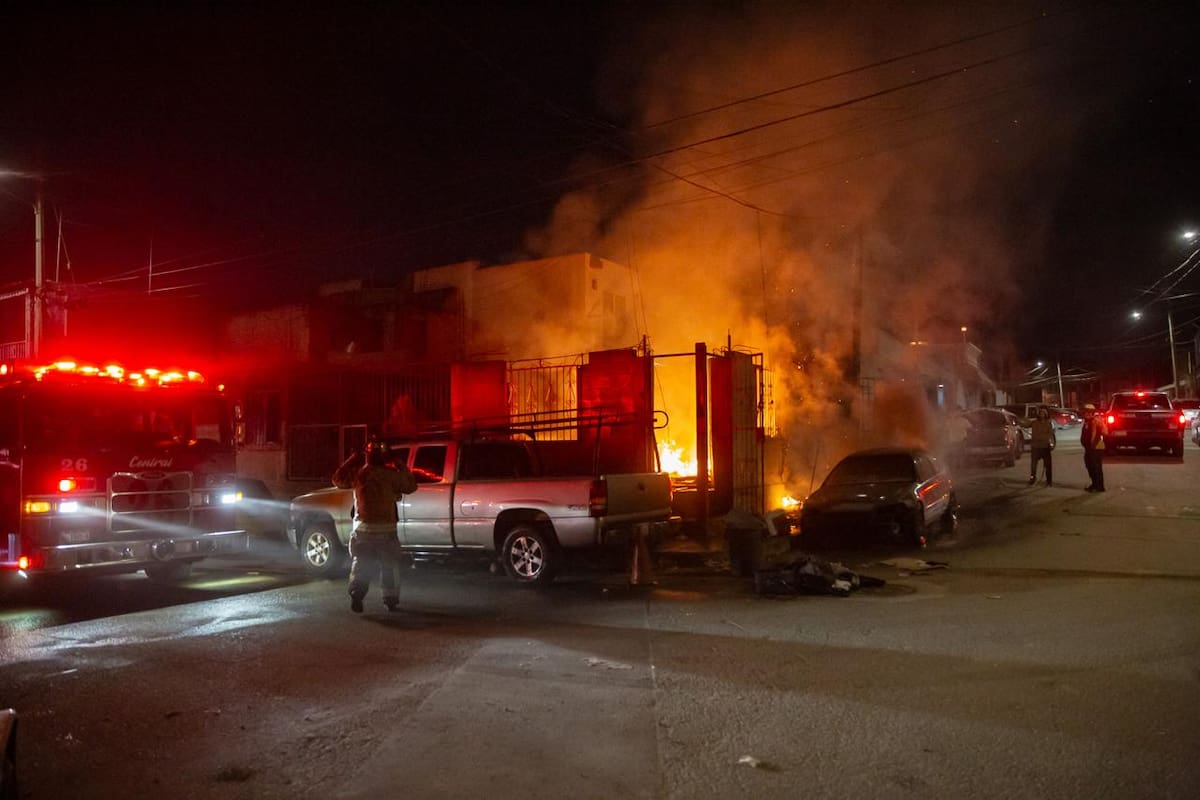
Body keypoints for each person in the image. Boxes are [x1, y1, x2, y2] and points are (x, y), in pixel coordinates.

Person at [332, 438, 418, 613]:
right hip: (386, 531)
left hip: (363, 530)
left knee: (361, 562)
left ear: (367, 456)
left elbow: (337, 478)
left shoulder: (359, 475)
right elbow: (411, 485)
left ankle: (357, 592)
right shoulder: (392, 476)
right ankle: (390, 599)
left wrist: (353, 458)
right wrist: (400, 464)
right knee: (390, 565)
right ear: (385, 457)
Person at [1080, 404, 1107, 492]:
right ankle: (1094, 484)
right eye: (1085, 411)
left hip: (1096, 448)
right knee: (1089, 466)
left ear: (1092, 412)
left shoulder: (1096, 421)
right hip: (1089, 448)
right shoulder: (1087, 422)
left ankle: (1099, 486)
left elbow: (1105, 431)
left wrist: (1098, 435)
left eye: (1088, 411)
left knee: (1096, 467)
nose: (1086, 413)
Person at [1028, 406, 1056, 486]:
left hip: (1045, 447)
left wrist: (1043, 437)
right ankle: (1032, 478)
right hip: (1036, 447)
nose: (1042, 415)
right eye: (1040, 413)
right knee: (1033, 465)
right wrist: (1043, 437)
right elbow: (1035, 435)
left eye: (1043, 413)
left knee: (1048, 465)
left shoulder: (1048, 423)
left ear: (1046, 415)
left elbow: (1050, 434)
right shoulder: (1035, 423)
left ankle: (1049, 481)